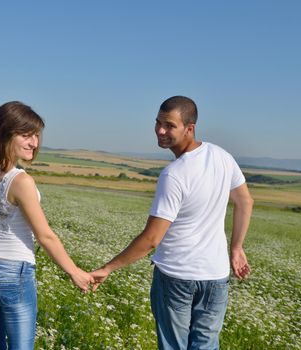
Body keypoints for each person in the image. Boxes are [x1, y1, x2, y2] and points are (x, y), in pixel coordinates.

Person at [90, 96, 253, 350]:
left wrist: (109, 268)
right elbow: (245, 202)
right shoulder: (222, 156)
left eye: (169, 125)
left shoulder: (174, 175)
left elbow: (151, 239)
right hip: (216, 276)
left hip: (177, 276)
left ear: (190, 128)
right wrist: (236, 247)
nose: (160, 131)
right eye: (157, 123)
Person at [0, 101, 93, 350]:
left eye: (36, 135)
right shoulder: (20, 180)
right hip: (12, 272)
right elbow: (45, 236)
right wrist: (74, 272)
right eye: (26, 135)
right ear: (3, 134)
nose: (34, 142)